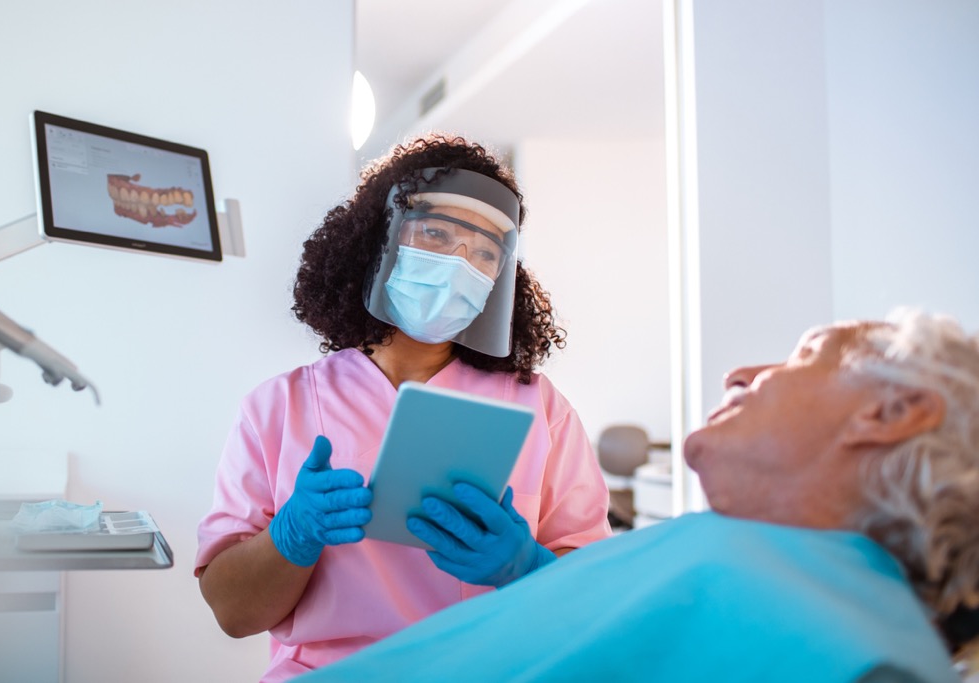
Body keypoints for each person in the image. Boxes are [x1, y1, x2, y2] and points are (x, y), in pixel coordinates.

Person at [298, 309, 979, 682]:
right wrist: (527, 571)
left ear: (890, 415)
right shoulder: (753, 559)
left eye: (806, 355)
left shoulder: (864, 656)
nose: (740, 371)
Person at [194, 135, 612, 681]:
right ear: (377, 240)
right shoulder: (278, 407)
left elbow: (593, 600)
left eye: (484, 251)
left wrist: (525, 568)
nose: (460, 263)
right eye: (436, 233)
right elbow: (233, 613)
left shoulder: (540, 408)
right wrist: (291, 536)